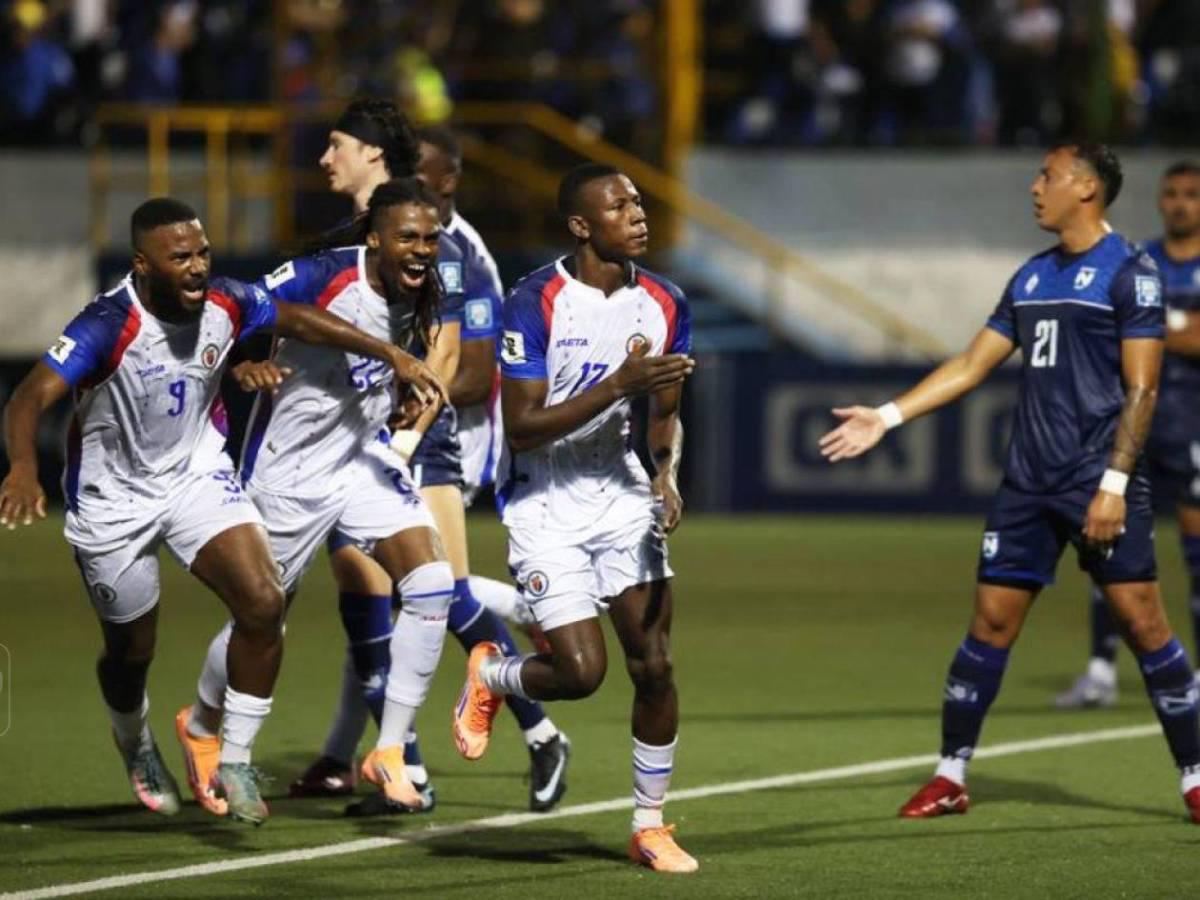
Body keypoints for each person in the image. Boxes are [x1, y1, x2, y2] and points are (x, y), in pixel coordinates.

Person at [0, 197, 443, 825]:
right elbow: (28, 396)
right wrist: (21, 467)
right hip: (115, 501)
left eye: (202, 251)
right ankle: (135, 741)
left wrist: (389, 354)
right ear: (142, 264)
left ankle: (232, 757)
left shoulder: (227, 300)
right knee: (131, 653)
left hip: (197, 477)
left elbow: (299, 318)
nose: (197, 266)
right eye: (180, 256)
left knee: (264, 603)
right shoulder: (107, 323)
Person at [819, 144, 1200, 824]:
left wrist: (1114, 482)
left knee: (1143, 622)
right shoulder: (1030, 276)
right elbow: (969, 364)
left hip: (1097, 480)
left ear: (1086, 188)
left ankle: (1195, 776)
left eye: (1047, 176)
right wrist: (886, 415)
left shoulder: (1130, 273)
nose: (1034, 188)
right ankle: (951, 774)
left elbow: (1143, 389)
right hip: (1028, 482)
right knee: (990, 623)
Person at [287, 101, 569, 814]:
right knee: (370, 602)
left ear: (373, 154)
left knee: (433, 591)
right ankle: (389, 764)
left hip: (425, 439)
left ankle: (538, 730)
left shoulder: (448, 244)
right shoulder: (351, 236)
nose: (325, 157)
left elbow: (460, 364)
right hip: (352, 442)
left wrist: (407, 430)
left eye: (336, 144)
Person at [176, 178, 458, 816]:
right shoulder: (322, 275)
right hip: (288, 469)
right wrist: (241, 364)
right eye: (407, 237)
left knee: (432, 583)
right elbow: (230, 308)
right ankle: (200, 723)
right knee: (263, 617)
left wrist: (400, 390)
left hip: (362, 460)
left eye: (431, 238)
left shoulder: (420, 289)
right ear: (374, 237)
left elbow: (380, 369)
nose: (421, 249)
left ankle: (388, 750)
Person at [451, 163, 700, 872]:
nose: (638, 213)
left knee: (654, 665)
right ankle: (494, 675)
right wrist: (618, 383)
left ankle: (649, 825)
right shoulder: (536, 301)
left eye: (640, 201)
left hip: (620, 495)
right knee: (582, 673)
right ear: (582, 226)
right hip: (543, 501)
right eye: (619, 205)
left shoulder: (666, 301)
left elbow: (666, 412)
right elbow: (523, 426)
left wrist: (665, 473)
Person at [1057, 160, 1200, 708]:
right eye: (1173, 194)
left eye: (1191, 194)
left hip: (1191, 422)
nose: (1181, 203)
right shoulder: (1139, 262)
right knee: (1104, 545)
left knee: (1195, 554)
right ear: (1161, 202)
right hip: (1130, 426)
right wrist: (1178, 325)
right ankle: (1100, 672)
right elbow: (1114, 333)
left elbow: (1149, 334)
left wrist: (1160, 325)